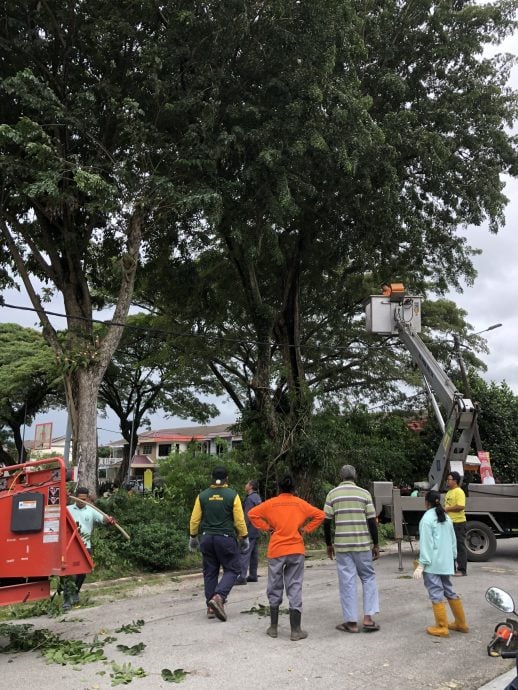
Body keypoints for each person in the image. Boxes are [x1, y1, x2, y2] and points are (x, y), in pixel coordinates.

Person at [248, 475, 325, 641]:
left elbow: (252, 514)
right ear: (293, 489)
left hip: (276, 550)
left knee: (274, 585)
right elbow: (320, 515)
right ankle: (296, 630)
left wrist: (267, 528)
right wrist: (305, 530)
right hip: (296, 549)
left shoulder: (270, 503)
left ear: (279, 488)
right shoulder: (300, 503)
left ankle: (274, 628)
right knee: (295, 585)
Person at [323, 464, 381, 634]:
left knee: (347, 582)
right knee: (368, 578)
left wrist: (328, 544)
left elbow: (326, 522)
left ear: (341, 477)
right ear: (355, 477)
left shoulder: (332, 494)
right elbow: (372, 521)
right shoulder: (364, 493)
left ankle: (351, 622)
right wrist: (376, 544)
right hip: (363, 544)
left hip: (342, 546)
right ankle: (368, 619)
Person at [189, 466, 249, 622]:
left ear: (211, 477)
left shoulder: (202, 496)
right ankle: (219, 596)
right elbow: (239, 520)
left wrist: (193, 536)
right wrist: (244, 536)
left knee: (210, 571)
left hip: (207, 538)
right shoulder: (232, 495)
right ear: (226, 479)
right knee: (233, 568)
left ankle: (210, 607)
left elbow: (195, 519)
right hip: (225, 539)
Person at [413, 489, 469, 636]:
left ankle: (442, 627)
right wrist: (454, 559)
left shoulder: (426, 519)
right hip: (446, 562)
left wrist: (421, 564)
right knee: (449, 590)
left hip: (432, 564)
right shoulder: (446, 517)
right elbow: (453, 541)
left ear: (426, 503)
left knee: (436, 593)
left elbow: (427, 544)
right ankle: (461, 623)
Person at [64, 486, 116, 610]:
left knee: (83, 572)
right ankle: (66, 600)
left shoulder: (91, 510)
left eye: (83, 499)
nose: (81, 501)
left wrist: (110, 520)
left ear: (87, 499)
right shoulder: (67, 509)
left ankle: (75, 592)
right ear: (75, 498)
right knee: (68, 574)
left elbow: (103, 519)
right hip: (70, 546)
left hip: (85, 545)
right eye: (79, 499)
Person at [236, 479, 262, 585]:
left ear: (251, 486)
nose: (245, 485)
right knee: (254, 553)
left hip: (250, 530)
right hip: (257, 529)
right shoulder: (258, 498)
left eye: (247, 484)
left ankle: (242, 576)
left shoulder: (250, 499)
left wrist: (243, 532)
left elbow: (247, 517)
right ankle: (253, 575)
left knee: (244, 552)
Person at [444, 471, 467, 576]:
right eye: (448, 479)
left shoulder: (459, 491)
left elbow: (461, 506)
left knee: (459, 546)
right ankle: (451, 569)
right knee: (449, 547)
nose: (447, 481)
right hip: (449, 523)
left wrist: (447, 508)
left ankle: (462, 570)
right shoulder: (449, 492)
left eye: (449, 479)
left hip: (458, 523)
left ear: (455, 481)